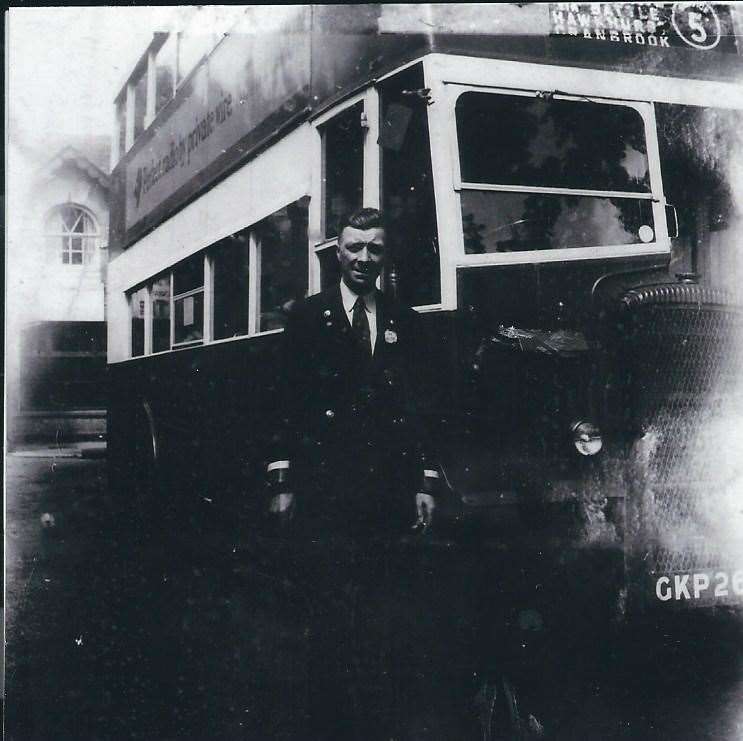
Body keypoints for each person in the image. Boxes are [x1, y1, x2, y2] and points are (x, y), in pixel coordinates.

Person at [264, 207, 443, 739]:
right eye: (354, 248)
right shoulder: (305, 318)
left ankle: (376, 720)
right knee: (328, 612)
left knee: (384, 613)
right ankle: (329, 721)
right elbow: (283, 405)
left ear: (387, 256)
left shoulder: (402, 320)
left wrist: (424, 482)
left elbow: (419, 410)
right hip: (325, 490)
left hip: (386, 492)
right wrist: (282, 482)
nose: (364, 259)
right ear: (336, 253)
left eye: (375, 249)